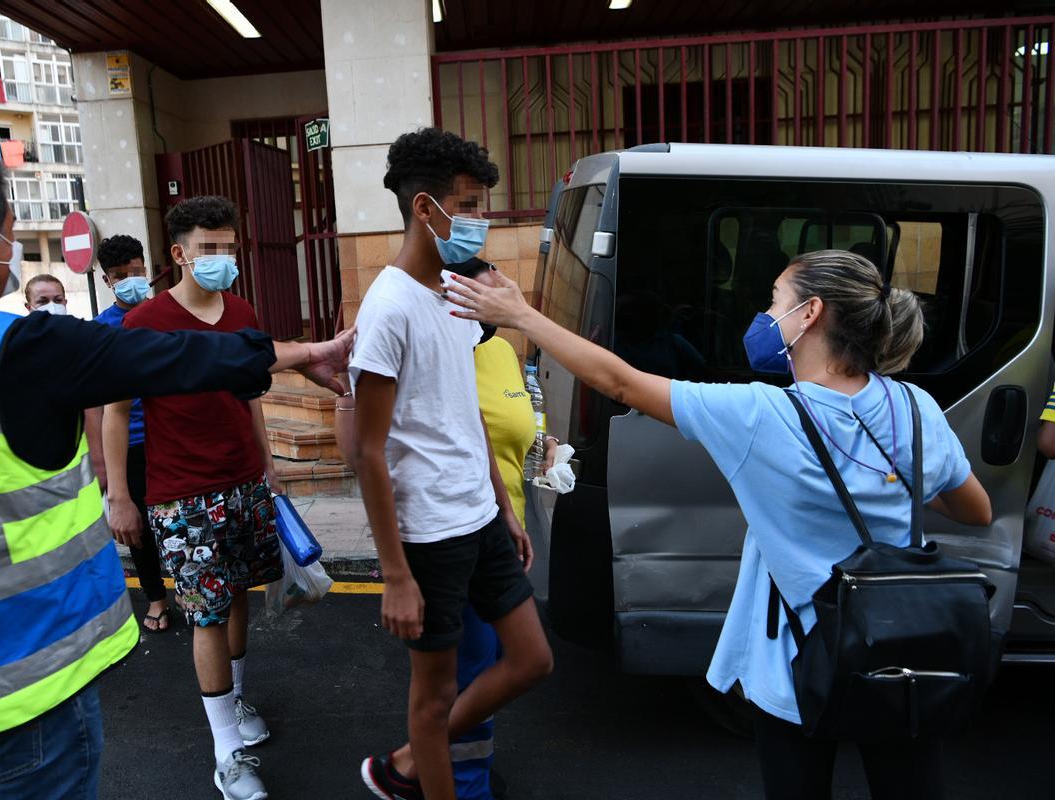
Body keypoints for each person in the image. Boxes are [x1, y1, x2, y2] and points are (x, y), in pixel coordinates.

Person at [0, 136, 352, 800]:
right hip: (23, 691)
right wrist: (310, 352)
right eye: (8, 227)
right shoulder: (20, 347)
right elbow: (177, 357)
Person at [445, 249, 994, 799]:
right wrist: (891, 483)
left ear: (809, 314)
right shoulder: (914, 407)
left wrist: (523, 316)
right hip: (902, 657)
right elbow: (975, 509)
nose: (765, 315)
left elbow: (622, 383)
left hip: (795, 665)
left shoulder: (761, 415)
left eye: (774, 302)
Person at [351, 128, 553, 800]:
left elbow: (460, 413)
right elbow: (369, 451)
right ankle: (418, 768)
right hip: (428, 534)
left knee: (531, 660)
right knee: (433, 697)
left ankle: (410, 760)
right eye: (467, 205)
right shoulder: (388, 308)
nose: (480, 221)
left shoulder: (455, 292)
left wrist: (500, 502)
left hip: (478, 515)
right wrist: (395, 575)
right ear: (424, 210)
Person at [103, 196, 284, 800]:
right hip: (181, 495)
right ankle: (225, 752)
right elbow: (116, 408)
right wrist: (119, 495)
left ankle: (234, 700)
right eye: (209, 248)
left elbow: (251, 395)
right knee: (205, 613)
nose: (222, 258)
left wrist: (269, 464)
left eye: (229, 246)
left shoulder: (242, 311)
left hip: (245, 482)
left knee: (237, 598)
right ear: (179, 254)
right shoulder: (144, 323)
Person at [449, 257, 558, 800]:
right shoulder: (438, 352)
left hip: (506, 529)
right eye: (491, 277)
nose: (504, 285)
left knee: (497, 668)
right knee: (474, 670)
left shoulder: (497, 348)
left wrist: (547, 444)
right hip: (460, 534)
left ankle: (463, 768)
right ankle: (458, 782)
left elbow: (521, 417)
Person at [82, 234, 170, 633]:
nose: (132, 281)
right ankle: (156, 597)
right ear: (106, 281)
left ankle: (187, 588)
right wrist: (103, 466)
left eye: (137, 273)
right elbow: (95, 404)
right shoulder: (101, 331)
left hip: (170, 438)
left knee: (176, 520)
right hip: (130, 446)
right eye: (121, 276)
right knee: (139, 530)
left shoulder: (166, 316)